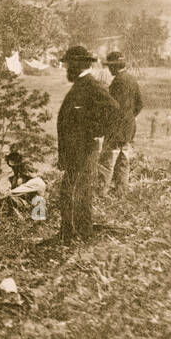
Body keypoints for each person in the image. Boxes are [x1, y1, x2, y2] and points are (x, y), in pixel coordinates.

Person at [56, 45, 120, 243]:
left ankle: (82, 236)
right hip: (76, 152)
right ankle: (70, 234)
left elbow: (114, 110)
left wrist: (94, 132)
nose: (67, 68)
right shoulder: (81, 85)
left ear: (79, 64)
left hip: (84, 150)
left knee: (80, 193)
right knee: (70, 192)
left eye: (70, 64)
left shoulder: (91, 85)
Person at [98, 50, 143, 196]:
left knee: (107, 162)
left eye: (110, 66)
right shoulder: (132, 79)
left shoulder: (117, 82)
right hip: (128, 129)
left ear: (115, 66)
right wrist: (129, 118)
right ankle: (121, 193)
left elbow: (112, 107)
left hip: (115, 129)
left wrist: (107, 123)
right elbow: (139, 105)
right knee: (123, 161)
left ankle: (101, 193)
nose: (109, 69)